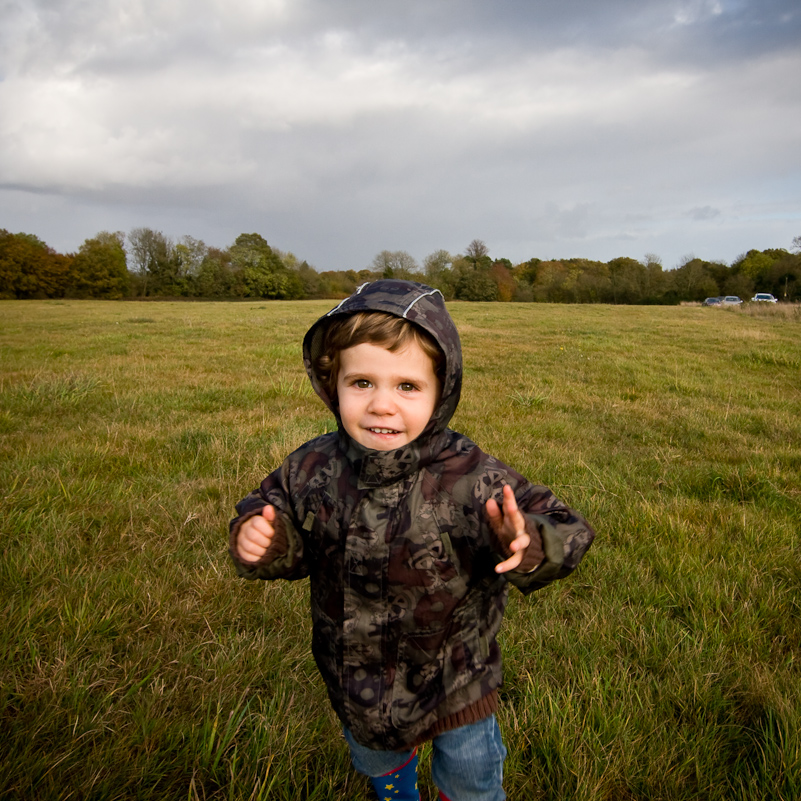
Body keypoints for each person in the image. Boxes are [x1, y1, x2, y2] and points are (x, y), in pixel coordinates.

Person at [229, 280, 595, 801]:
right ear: (332, 383)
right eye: (362, 383)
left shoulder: (469, 474)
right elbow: (269, 508)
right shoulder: (313, 465)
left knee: (471, 781)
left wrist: (530, 541)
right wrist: (264, 539)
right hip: (355, 676)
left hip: (455, 681)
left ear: (440, 389)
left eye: (406, 386)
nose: (381, 405)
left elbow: (564, 523)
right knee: (378, 761)